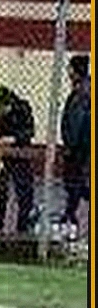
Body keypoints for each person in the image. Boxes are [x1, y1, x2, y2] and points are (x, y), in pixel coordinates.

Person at [0, 86, 36, 235]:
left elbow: (30, 132)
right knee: (1, 192)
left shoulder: (22, 109)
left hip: (20, 156)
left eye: (1, 108)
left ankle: (22, 228)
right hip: (4, 157)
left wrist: (14, 138)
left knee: (24, 192)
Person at [58, 55, 90, 241]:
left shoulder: (82, 93)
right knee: (76, 187)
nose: (68, 72)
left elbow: (76, 121)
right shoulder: (82, 90)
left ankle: (69, 223)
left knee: (75, 186)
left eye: (70, 68)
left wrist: (70, 145)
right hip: (81, 149)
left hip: (79, 150)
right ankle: (70, 220)